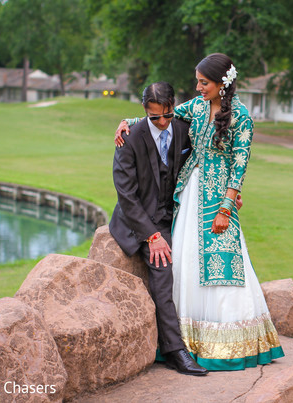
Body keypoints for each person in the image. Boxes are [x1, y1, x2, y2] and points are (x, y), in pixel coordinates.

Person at [116, 53, 284, 371]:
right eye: (197, 81)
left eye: (203, 82)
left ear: (223, 82)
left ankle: (232, 343)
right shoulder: (196, 106)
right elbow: (167, 116)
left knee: (224, 263)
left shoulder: (241, 116)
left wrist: (226, 206)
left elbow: (240, 163)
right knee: (186, 260)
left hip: (219, 198)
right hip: (189, 193)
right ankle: (185, 342)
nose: (198, 87)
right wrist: (130, 122)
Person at [108, 81, 208, 376]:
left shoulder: (180, 127)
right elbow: (126, 195)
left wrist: (232, 192)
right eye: (155, 118)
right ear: (144, 111)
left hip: (174, 215)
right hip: (142, 220)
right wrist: (152, 236)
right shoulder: (129, 138)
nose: (163, 123)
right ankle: (175, 350)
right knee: (163, 267)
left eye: (167, 115)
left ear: (173, 106)